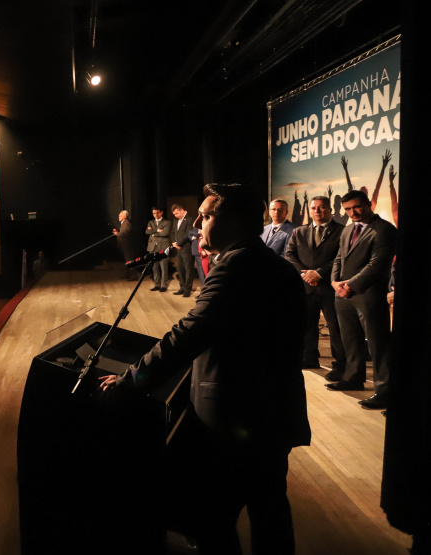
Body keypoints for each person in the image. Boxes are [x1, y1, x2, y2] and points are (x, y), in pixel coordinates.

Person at [99, 183, 310, 554]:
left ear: (233, 221)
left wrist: (131, 381)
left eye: (208, 215)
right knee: (270, 512)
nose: (198, 222)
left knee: (210, 518)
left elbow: (189, 334)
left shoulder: (237, 265)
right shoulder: (273, 266)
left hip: (235, 419)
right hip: (273, 414)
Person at [329, 190, 396, 409]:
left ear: (368, 204)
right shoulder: (348, 229)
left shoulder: (385, 229)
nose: (352, 212)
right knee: (350, 340)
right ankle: (353, 377)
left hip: (369, 294)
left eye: (356, 207)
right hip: (343, 293)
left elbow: (377, 264)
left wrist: (348, 285)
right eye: (347, 209)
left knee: (378, 344)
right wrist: (334, 282)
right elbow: (339, 258)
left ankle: (385, 391)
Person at [285, 196, 346, 374]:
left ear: (329, 210)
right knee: (307, 325)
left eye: (321, 208)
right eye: (313, 208)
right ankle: (309, 358)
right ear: (309, 210)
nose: (317, 211)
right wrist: (305, 274)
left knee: (335, 328)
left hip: (329, 286)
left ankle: (340, 365)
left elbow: (340, 258)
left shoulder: (342, 231)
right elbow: (289, 254)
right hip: (306, 286)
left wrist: (319, 273)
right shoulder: (299, 232)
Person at [170, 204, 195, 297]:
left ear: (182, 210)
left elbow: (188, 233)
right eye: (174, 214)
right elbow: (173, 232)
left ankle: (187, 290)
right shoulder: (176, 220)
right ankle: (182, 287)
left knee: (188, 269)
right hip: (177, 248)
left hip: (186, 247)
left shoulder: (190, 219)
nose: (176, 216)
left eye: (177, 213)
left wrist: (179, 243)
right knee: (180, 268)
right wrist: (173, 242)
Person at [145, 206, 172, 291]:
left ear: (161, 212)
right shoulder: (151, 222)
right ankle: (157, 284)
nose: (155, 215)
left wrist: (153, 232)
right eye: (154, 213)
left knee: (164, 266)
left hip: (163, 247)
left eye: (157, 213)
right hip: (152, 247)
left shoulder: (167, 222)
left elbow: (165, 233)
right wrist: (157, 230)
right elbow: (147, 232)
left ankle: (164, 285)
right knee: (155, 267)